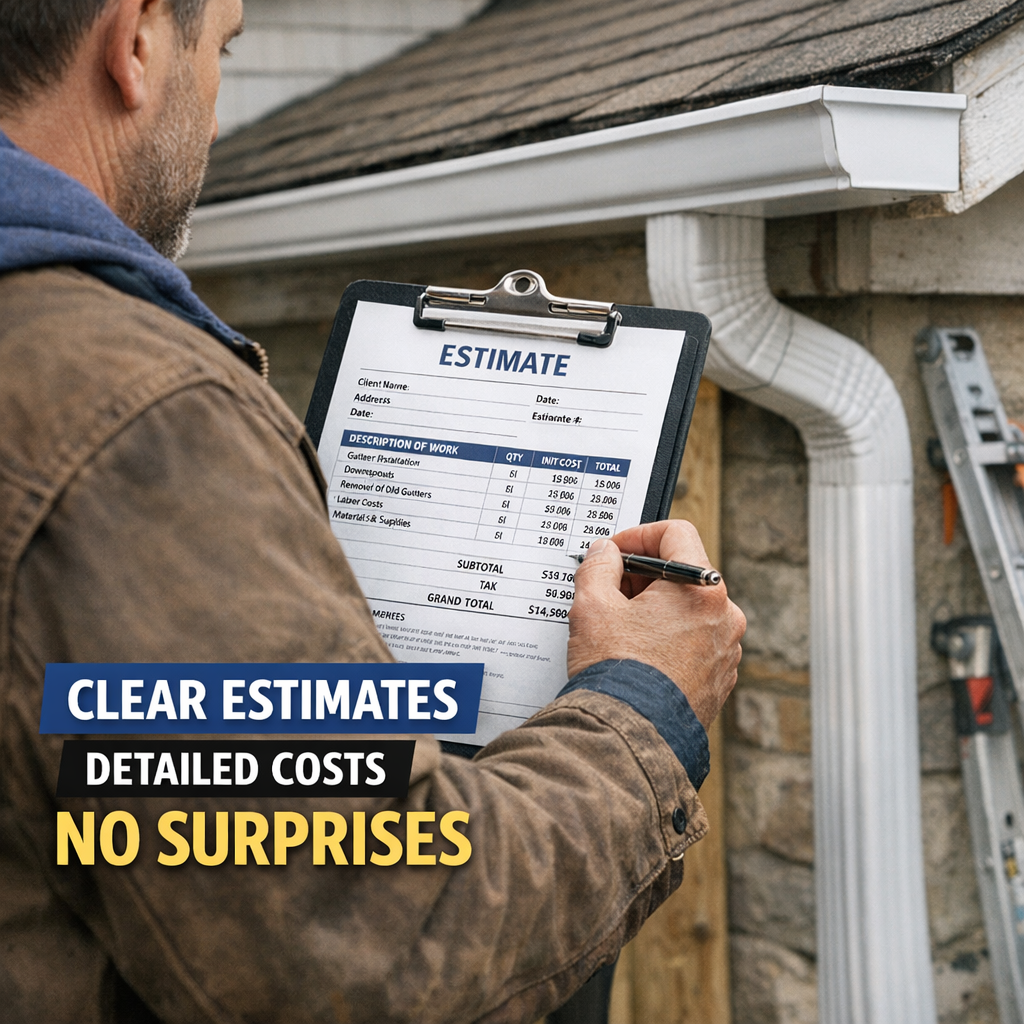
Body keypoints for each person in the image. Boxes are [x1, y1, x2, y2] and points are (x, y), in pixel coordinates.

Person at [0, 1, 746, 1021]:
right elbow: (371, 943)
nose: (213, 116)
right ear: (135, 42)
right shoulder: (136, 414)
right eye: (220, 49)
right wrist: (644, 705)